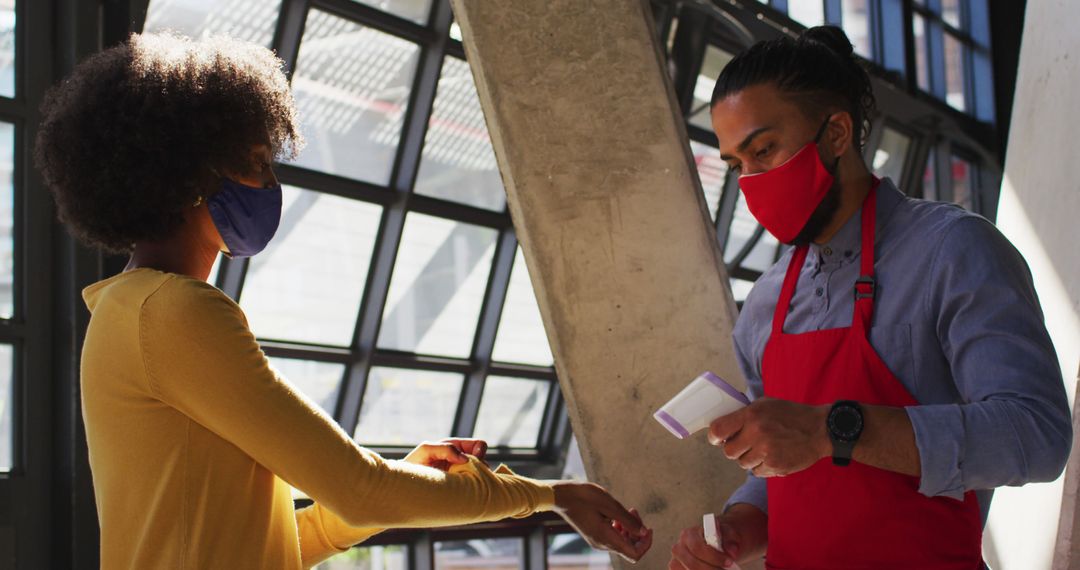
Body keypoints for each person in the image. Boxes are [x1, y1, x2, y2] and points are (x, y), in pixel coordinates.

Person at [34, 33, 653, 569]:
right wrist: (547, 494)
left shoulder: (130, 312)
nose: (270, 183)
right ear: (190, 171)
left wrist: (410, 478)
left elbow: (284, 542)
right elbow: (361, 488)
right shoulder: (174, 312)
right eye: (255, 162)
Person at [668, 26, 1070, 570]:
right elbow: (778, 469)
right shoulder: (764, 305)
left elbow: (1036, 434)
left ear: (836, 133)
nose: (751, 181)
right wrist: (740, 525)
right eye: (738, 164)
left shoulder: (953, 252)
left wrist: (832, 429)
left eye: (764, 149)